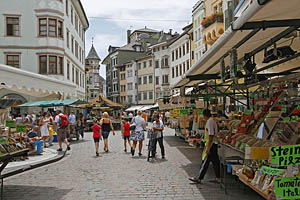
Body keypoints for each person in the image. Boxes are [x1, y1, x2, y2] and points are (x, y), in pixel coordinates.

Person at [189, 109, 220, 184]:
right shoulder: (212, 121)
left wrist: (208, 147)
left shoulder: (209, 122)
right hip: (214, 143)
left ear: (204, 115)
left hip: (211, 144)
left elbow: (211, 135)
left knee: (205, 161)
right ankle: (218, 178)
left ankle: (199, 178)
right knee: (215, 162)